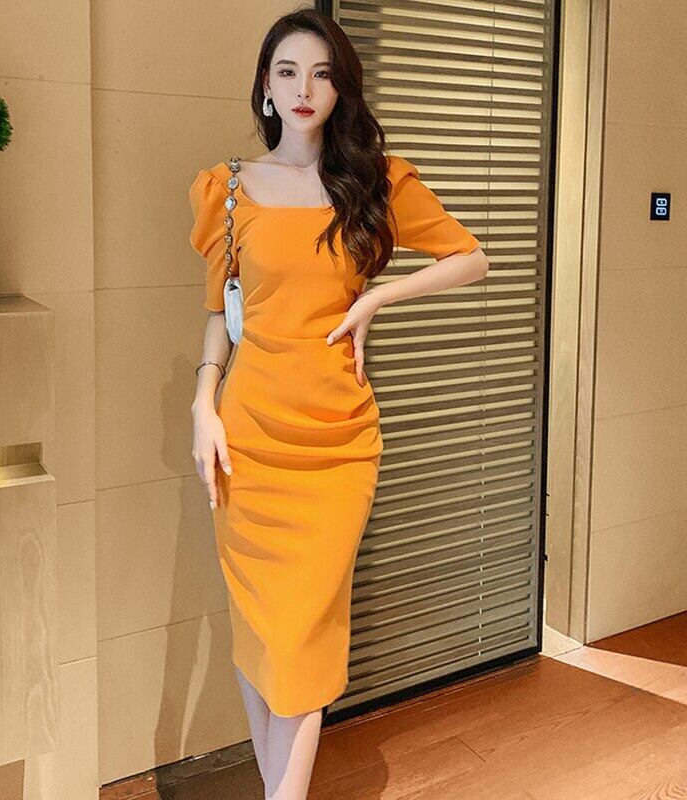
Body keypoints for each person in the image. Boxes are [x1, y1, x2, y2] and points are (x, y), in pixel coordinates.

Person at [188, 8, 489, 799]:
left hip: (337, 444)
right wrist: (202, 405)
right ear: (265, 86)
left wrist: (377, 299)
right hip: (247, 440)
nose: (304, 88)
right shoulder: (228, 189)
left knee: (302, 642)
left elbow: (471, 257)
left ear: (340, 88)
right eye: (288, 72)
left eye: (322, 73)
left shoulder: (375, 182)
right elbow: (220, 312)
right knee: (260, 635)